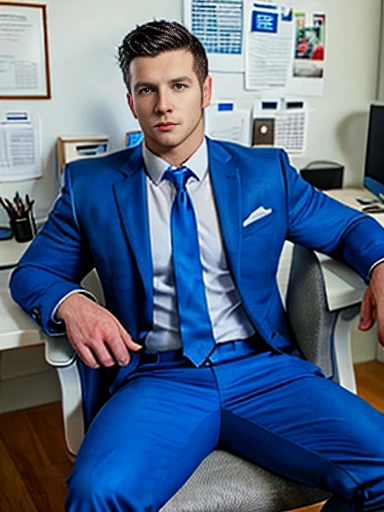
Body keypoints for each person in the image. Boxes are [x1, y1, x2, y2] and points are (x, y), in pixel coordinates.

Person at [10, 20, 384, 512]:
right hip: (159, 377)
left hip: (262, 368)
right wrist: (73, 302)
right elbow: (33, 273)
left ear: (204, 90)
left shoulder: (263, 174)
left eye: (179, 85)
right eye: (147, 89)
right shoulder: (90, 186)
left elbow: (348, 228)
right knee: (96, 493)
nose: (163, 104)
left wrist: (379, 264)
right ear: (131, 100)